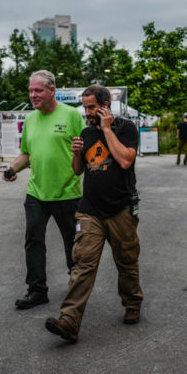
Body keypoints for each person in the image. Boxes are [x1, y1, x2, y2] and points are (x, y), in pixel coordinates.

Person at [45, 85, 143, 343]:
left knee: (127, 260)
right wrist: (77, 153)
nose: (87, 112)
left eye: (91, 107)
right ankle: (69, 320)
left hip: (121, 208)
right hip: (90, 211)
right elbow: (78, 170)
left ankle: (133, 302)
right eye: (85, 107)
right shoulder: (86, 132)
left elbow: (125, 161)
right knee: (83, 263)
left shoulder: (126, 129)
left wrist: (107, 129)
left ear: (105, 105)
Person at [2, 70, 83, 309]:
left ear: (52, 91)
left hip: (67, 192)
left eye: (38, 90)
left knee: (73, 243)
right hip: (36, 192)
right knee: (33, 241)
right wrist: (13, 168)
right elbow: (27, 154)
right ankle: (37, 290)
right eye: (31, 91)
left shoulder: (71, 115)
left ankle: (77, 288)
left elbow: (82, 152)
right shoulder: (30, 119)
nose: (33, 95)